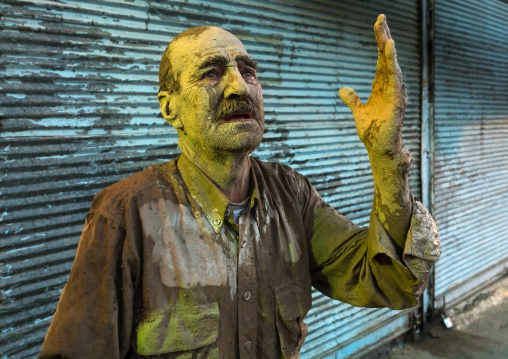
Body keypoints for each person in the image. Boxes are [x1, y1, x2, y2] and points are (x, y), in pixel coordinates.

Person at [39, 15, 440, 359]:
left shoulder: (291, 195)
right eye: (211, 72)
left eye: (248, 71)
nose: (240, 87)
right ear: (169, 107)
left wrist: (387, 158)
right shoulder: (125, 213)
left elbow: (392, 282)